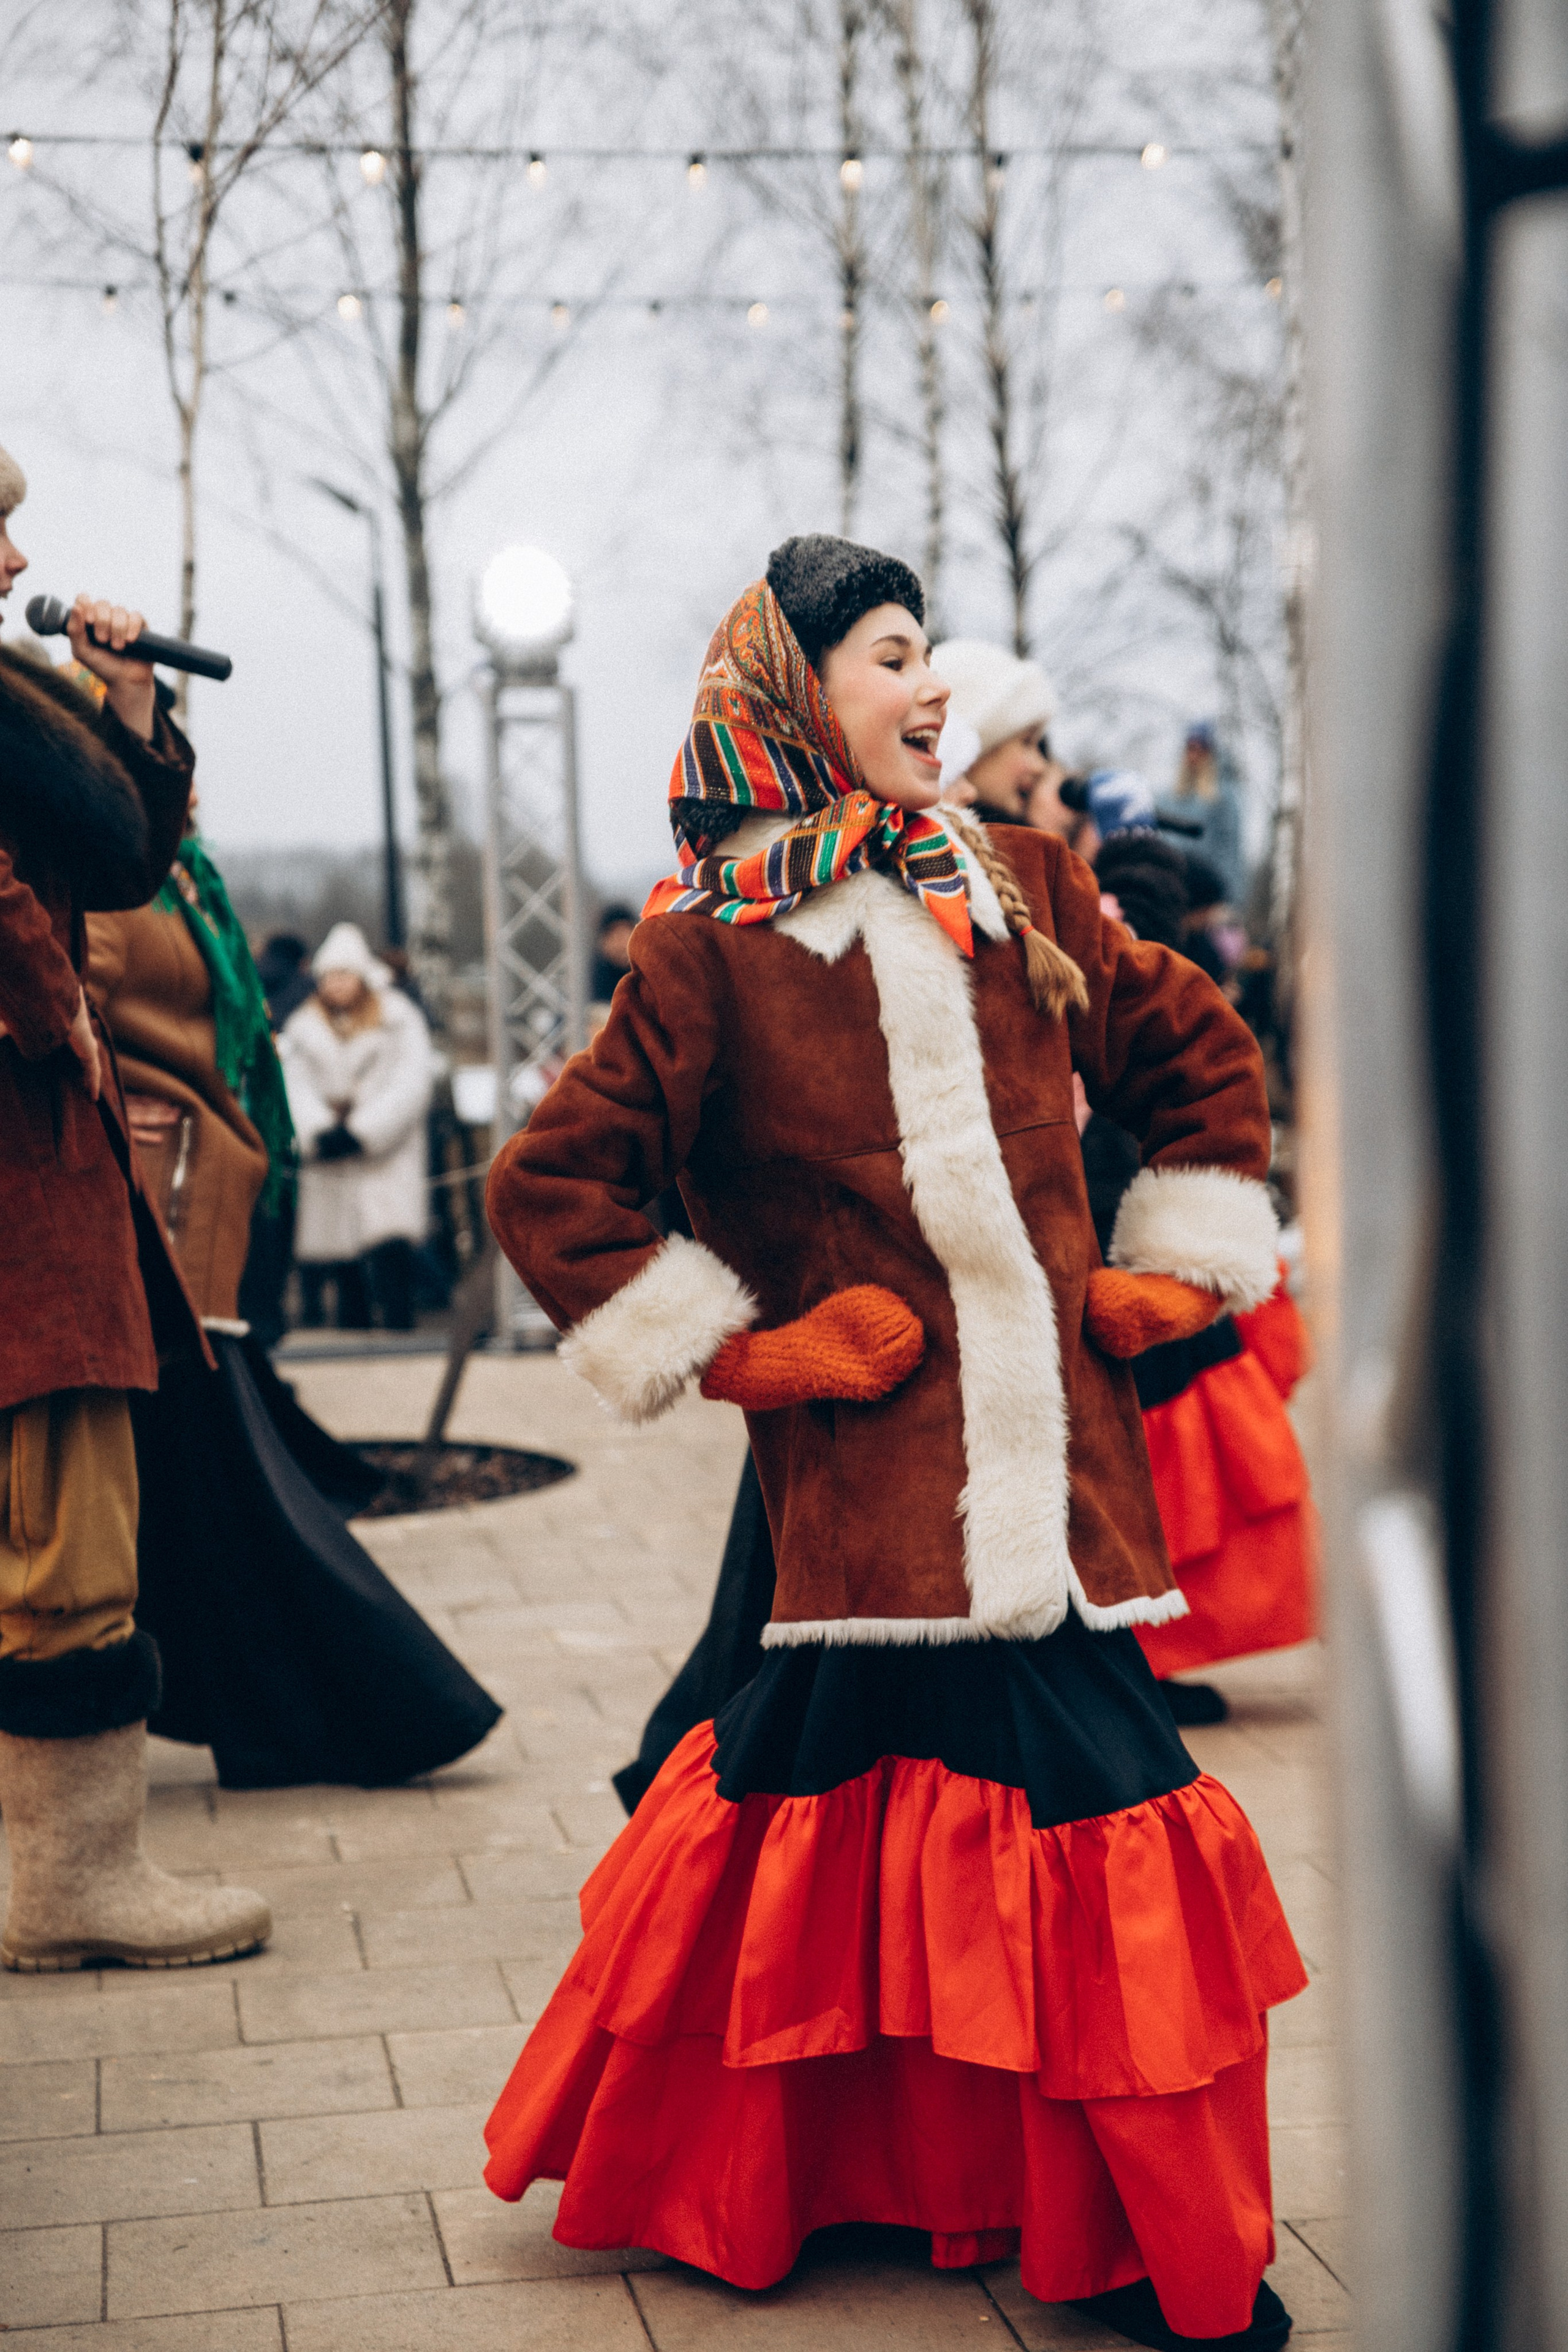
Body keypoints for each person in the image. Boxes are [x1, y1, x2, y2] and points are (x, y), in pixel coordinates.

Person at [480, 534, 1303, 2350]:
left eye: (929, 652)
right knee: (845, 1827)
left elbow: (1200, 1055)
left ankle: (1138, 2236)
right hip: (856, 1513)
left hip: (1055, 1490)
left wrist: (1180, 1263)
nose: (927, 686)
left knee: (1047, 1827)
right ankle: (1141, 2252)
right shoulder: (708, 942)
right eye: (884, 655)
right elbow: (555, 1189)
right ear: (792, 694)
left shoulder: (1018, 877)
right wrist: (753, 1354)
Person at [0, 439, 270, 1970]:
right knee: (63, 1517)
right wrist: (48, 1009)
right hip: (20, 1154)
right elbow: (57, 881)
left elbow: (118, 853)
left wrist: (123, 704)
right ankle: (67, 1889)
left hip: (43, 1142)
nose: (16, 565)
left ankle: (63, 1872)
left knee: (64, 1498)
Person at [85, 824, 500, 1790]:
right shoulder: (111, 873)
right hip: (156, 1222)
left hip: (195, 1214)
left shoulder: (181, 878)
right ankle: (340, 1708)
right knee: (216, 1504)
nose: (185, 783)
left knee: (206, 1503)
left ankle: (295, 1714)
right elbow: (70, 1019)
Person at [279, 921, 434, 1331]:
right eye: (330, 976)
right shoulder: (304, 1025)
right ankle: (354, 1327)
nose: (337, 985)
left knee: (390, 1246)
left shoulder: (399, 1020)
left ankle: (400, 1330)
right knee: (340, 1256)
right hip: (330, 1154)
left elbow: (411, 1083)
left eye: (345, 975)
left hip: (386, 1155)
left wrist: (365, 1131)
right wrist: (318, 1130)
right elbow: (293, 1084)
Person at [1156, 723, 1246, 907]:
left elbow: (1230, 848)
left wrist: (1229, 899)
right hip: (1174, 886)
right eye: (1190, 748)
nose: (1194, 755)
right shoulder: (1170, 797)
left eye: (1201, 749)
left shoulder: (1223, 798)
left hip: (1208, 892)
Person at [590, 902, 639, 1006]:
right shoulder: (589, 979)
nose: (622, 944)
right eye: (616, 936)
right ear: (603, 941)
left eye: (627, 935)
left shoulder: (647, 975)